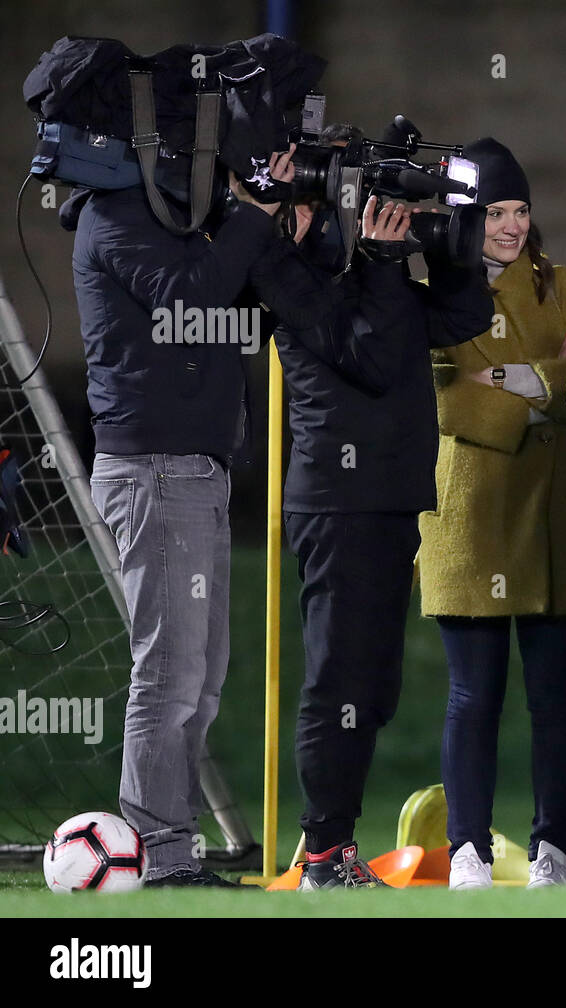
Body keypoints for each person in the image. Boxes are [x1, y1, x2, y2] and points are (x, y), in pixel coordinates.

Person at [249, 124, 494, 889]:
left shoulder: (363, 276)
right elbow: (375, 358)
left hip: (385, 498)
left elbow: (460, 321)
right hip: (341, 500)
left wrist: (451, 252)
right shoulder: (285, 278)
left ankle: (335, 847)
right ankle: (323, 852)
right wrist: (386, 262)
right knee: (340, 680)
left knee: (372, 685)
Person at [72, 149, 292, 885]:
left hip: (192, 468)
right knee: (168, 675)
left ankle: (170, 852)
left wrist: (269, 226)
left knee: (198, 678)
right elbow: (186, 299)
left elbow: (236, 319)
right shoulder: (112, 216)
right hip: (157, 467)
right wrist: (252, 218)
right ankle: (160, 861)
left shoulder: (182, 231)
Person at [416, 137, 566, 890]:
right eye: (496, 212)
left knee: (556, 694)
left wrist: (517, 378)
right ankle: (468, 851)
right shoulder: (436, 293)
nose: (512, 226)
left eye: (521, 210)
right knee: (474, 694)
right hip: (471, 518)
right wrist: (538, 396)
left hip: (555, 517)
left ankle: (553, 851)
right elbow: (446, 396)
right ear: (467, 216)